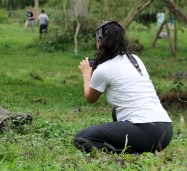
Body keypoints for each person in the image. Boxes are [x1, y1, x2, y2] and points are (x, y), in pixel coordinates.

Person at [74, 21, 173, 154]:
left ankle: (124, 152)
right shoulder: (135, 59)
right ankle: (135, 148)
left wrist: (87, 74)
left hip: (146, 130)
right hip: (166, 130)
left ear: (100, 42)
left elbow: (90, 98)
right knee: (116, 111)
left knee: (81, 138)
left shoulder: (103, 69)